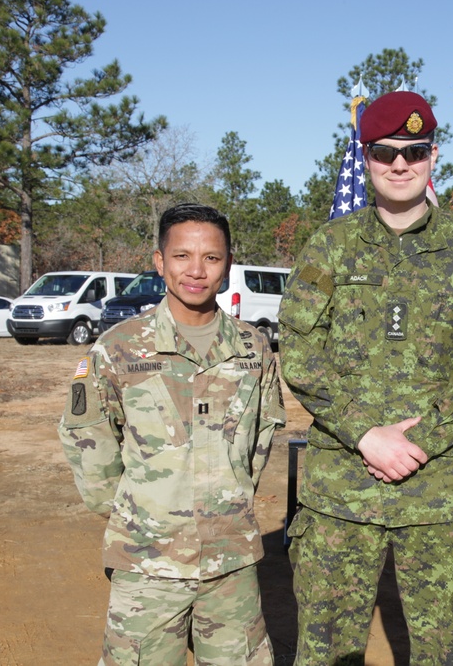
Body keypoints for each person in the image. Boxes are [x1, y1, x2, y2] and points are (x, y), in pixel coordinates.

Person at [278, 91, 453, 665]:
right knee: (326, 649)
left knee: (444, 653)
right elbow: (299, 347)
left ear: (433, 156)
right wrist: (365, 432)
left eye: (415, 151)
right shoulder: (331, 248)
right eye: (386, 151)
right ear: (366, 157)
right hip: (343, 492)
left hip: (437, 494)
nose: (400, 164)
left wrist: (422, 439)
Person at [58, 203, 286, 665]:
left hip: (230, 563)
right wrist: (144, 513)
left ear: (227, 264)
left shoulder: (252, 348)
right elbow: (90, 446)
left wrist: (226, 497)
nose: (196, 271)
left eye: (212, 258)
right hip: (148, 565)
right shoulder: (118, 348)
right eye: (181, 256)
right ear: (160, 261)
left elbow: (259, 442)